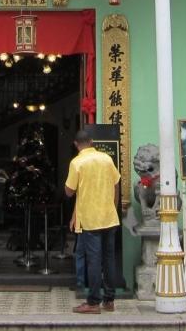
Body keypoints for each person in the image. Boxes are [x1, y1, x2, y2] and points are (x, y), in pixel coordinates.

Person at [64, 129, 121, 314]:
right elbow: (116, 183)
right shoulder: (106, 159)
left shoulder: (77, 162)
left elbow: (69, 191)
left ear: (76, 144)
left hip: (90, 219)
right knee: (109, 259)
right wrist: (113, 206)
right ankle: (109, 300)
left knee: (94, 261)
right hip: (109, 217)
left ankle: (93, 302)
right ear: (92, 142)